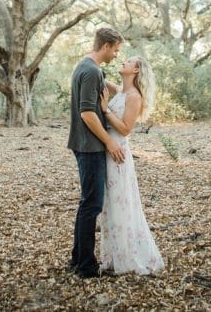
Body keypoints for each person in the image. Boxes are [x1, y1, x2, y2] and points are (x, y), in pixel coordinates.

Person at [67, 27, 125, 278]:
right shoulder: (91, 71)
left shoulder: (89, 68)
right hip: (90, 146)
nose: (116, 55)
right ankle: (86, 268)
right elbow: (88, 113)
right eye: (116, 50)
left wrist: (131, 87)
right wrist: (110, 143)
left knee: (87, 204)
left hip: (84, 144)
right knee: (91, 206)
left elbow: (115, 90)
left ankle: (78, 259)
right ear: (105, 46)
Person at [98, 55, 165, 275]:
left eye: (128, 62)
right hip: (107, 150)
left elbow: (126, 128)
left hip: (118, 151)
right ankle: (113, 256)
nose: (123, 62)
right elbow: (98, 76)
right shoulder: (121, 91)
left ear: (136, 70)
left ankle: (128, 258)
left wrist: (106, 110)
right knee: (110, 203)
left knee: (121, 202)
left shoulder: (134, 96)